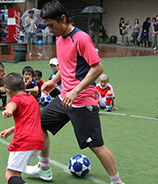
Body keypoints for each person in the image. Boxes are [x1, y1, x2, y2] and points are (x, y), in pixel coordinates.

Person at [24, 1, 124, 184]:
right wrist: (53, 82)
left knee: (96, 145)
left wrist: (76, 91)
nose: (49, 30)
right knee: (39, 124)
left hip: (82, 101)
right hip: (64, 98)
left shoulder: (81, 38)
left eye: (51, 26)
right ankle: (44, 168)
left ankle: (117, 182)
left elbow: (97, 68)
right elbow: (67, 65)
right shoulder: (59, 38)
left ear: (63, 19)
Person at [0, 72, 44, 184]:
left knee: (10, 174)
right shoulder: (32, 100)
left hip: (24, 142)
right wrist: (12, 129)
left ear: (8, 91)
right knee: (17, 173)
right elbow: (29, 120)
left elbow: (12, 105)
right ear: (24, 86)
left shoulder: (15, 99)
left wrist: (8, 110)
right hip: (38, 143)